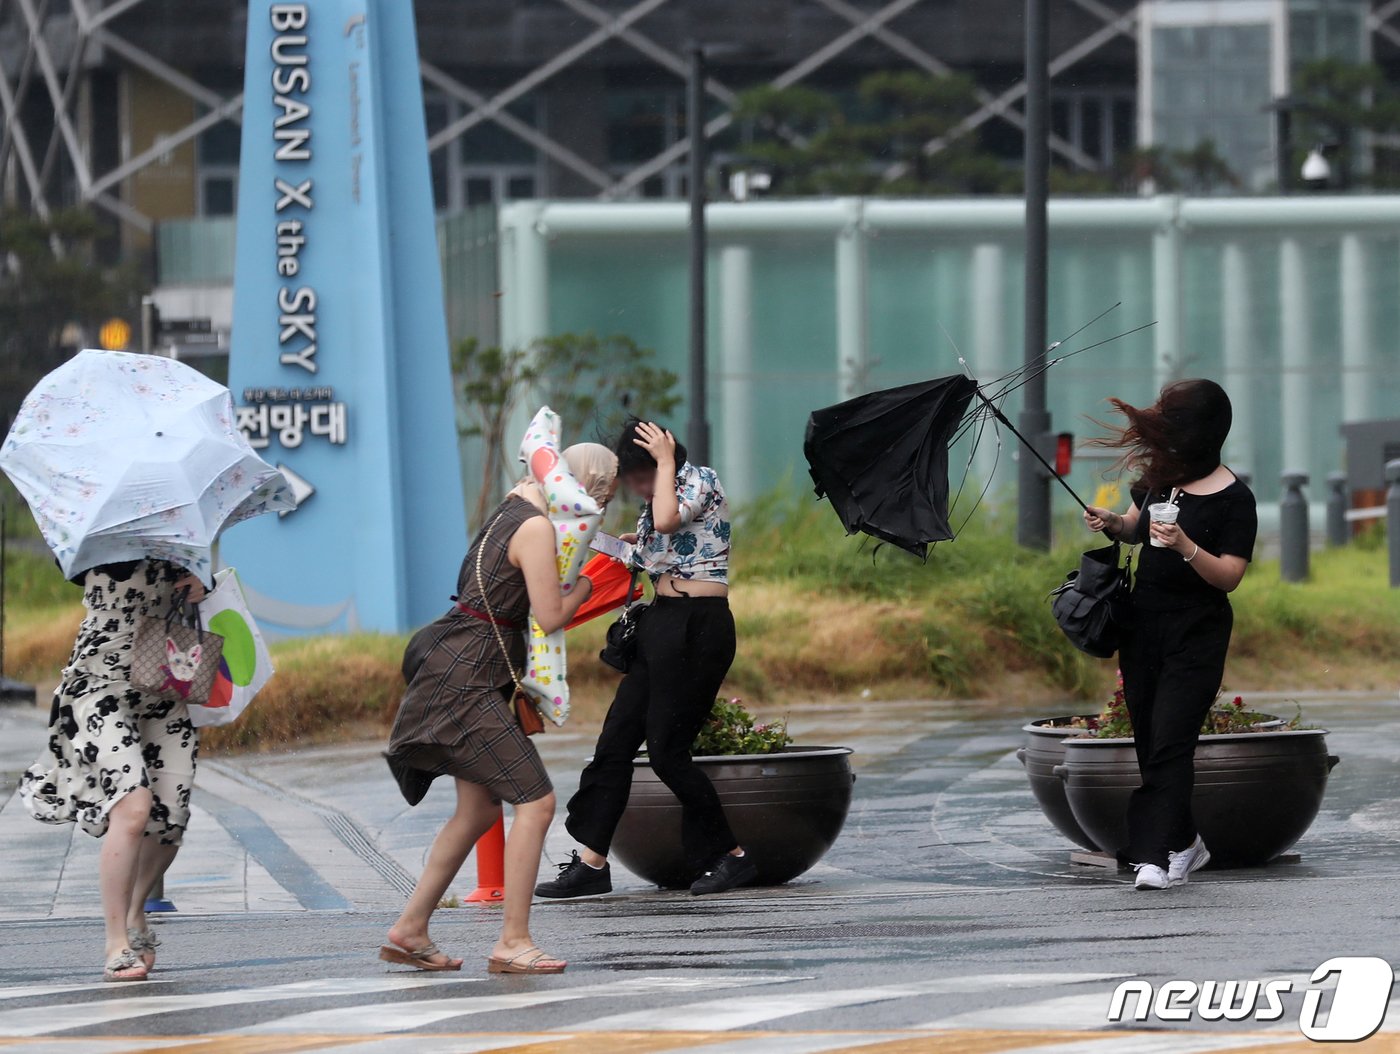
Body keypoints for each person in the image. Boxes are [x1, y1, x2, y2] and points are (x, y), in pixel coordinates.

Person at [383, 443, 618, 975]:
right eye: (599, 495)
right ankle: (513, 939)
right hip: (470, 680)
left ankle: (410, 930)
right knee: (535, 803)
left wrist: (594, 554)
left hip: (463, 667)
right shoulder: (535, 527)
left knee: (478, 810)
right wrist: (592, 581)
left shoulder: (511, 511)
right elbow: (552, 614)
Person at [537, 420, 754, 900]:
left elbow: (669, 522)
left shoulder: (700, 480)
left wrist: (665, 462)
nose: (636, 486)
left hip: (700, 626)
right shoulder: (649, 508)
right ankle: (593, 862)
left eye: (642, 475)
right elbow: (642, 555)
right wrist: (587, 530)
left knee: (667, 753)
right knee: (614, 743)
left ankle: (731, 856)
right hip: (661, 623)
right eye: (631, 478)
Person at [1082, 379, 1257, 892]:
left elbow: (1229, 576)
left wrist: (1184, 545)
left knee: (1173, 741)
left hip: (1197, 630)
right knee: (1149, 739)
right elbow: (1137, 528)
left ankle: (1153, 855)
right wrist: (1112, 521)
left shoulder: (1235, 498)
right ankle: (1185, 842)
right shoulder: (1162, 478)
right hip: (1143, 623)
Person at [21, 560, 208, 982]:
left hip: (164, 682)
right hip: (99, 683)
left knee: (170, 818)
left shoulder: (176, 536)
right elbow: (70, 564)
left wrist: (202, 582)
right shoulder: (96, 533)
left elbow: (200, 584)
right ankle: (115, 941)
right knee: (134, 807)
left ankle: (136, 908)